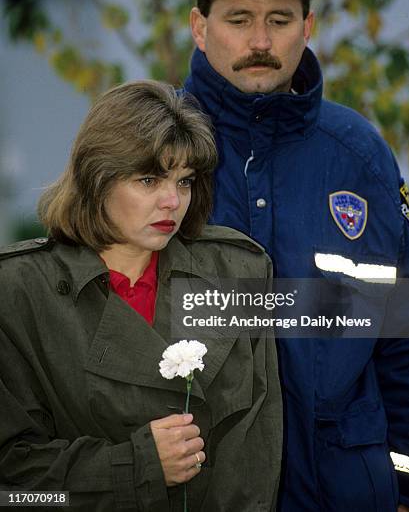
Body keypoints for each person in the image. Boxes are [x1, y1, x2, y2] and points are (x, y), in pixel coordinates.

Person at [184, 0, 409, 512]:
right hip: (202, 490)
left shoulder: (359, 156)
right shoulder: (155, 156)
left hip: (345, 492)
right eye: (238, 19)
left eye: (280, 19)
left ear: (308, 27)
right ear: (198, 27)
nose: (259, 40)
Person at [0, 80, 282, 511]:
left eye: (184, 181)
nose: (172, 201)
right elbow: (16, 485)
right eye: (148, 179)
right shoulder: (18, 292)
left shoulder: (238, 270)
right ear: (97, 180)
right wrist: (136, 465)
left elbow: (256, 455)